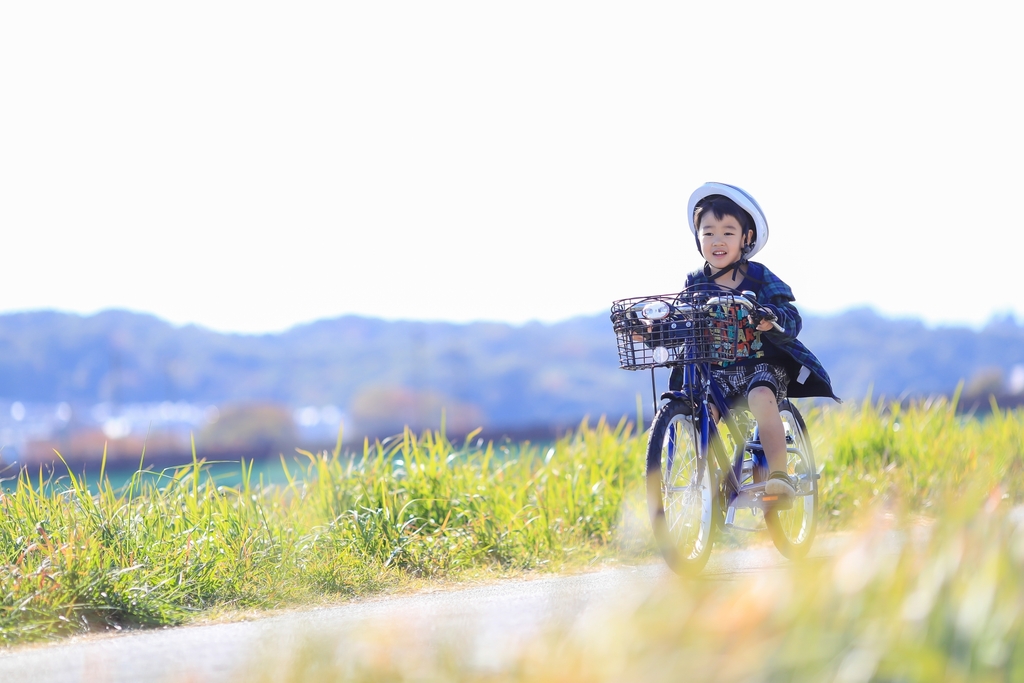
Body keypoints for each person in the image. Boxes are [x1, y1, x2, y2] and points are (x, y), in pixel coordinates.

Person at [670, 182, 839, 500]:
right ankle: (708, 481)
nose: (717, 240)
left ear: (746, 239)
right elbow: (680, 321)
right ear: (698, 239)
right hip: (717, 371)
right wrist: (652, 332)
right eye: (708, 233)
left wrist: (769, 317)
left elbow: (790, 316)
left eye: (728, 232)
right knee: (702, 412)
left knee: (762, 398)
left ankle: (779, 474)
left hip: (759, 365)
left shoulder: (759, 277)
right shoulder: (696, 282)